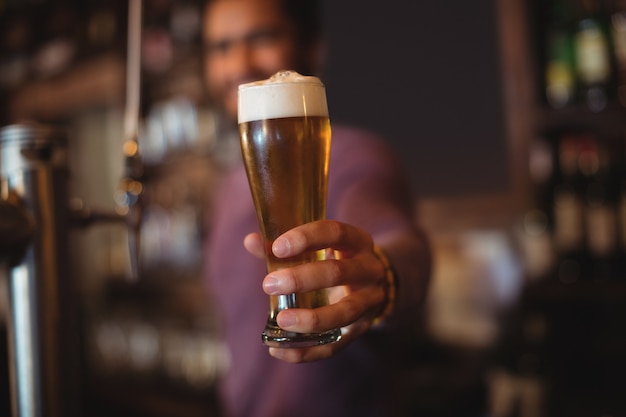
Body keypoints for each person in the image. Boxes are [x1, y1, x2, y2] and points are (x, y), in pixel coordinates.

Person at [202, 0, 431, 416]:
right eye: (220, 47)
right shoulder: (229, 185)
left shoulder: (356, 158)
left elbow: (401, 242)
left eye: (262, 38)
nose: (238, 63)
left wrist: (385, 276)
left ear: (312, 49)